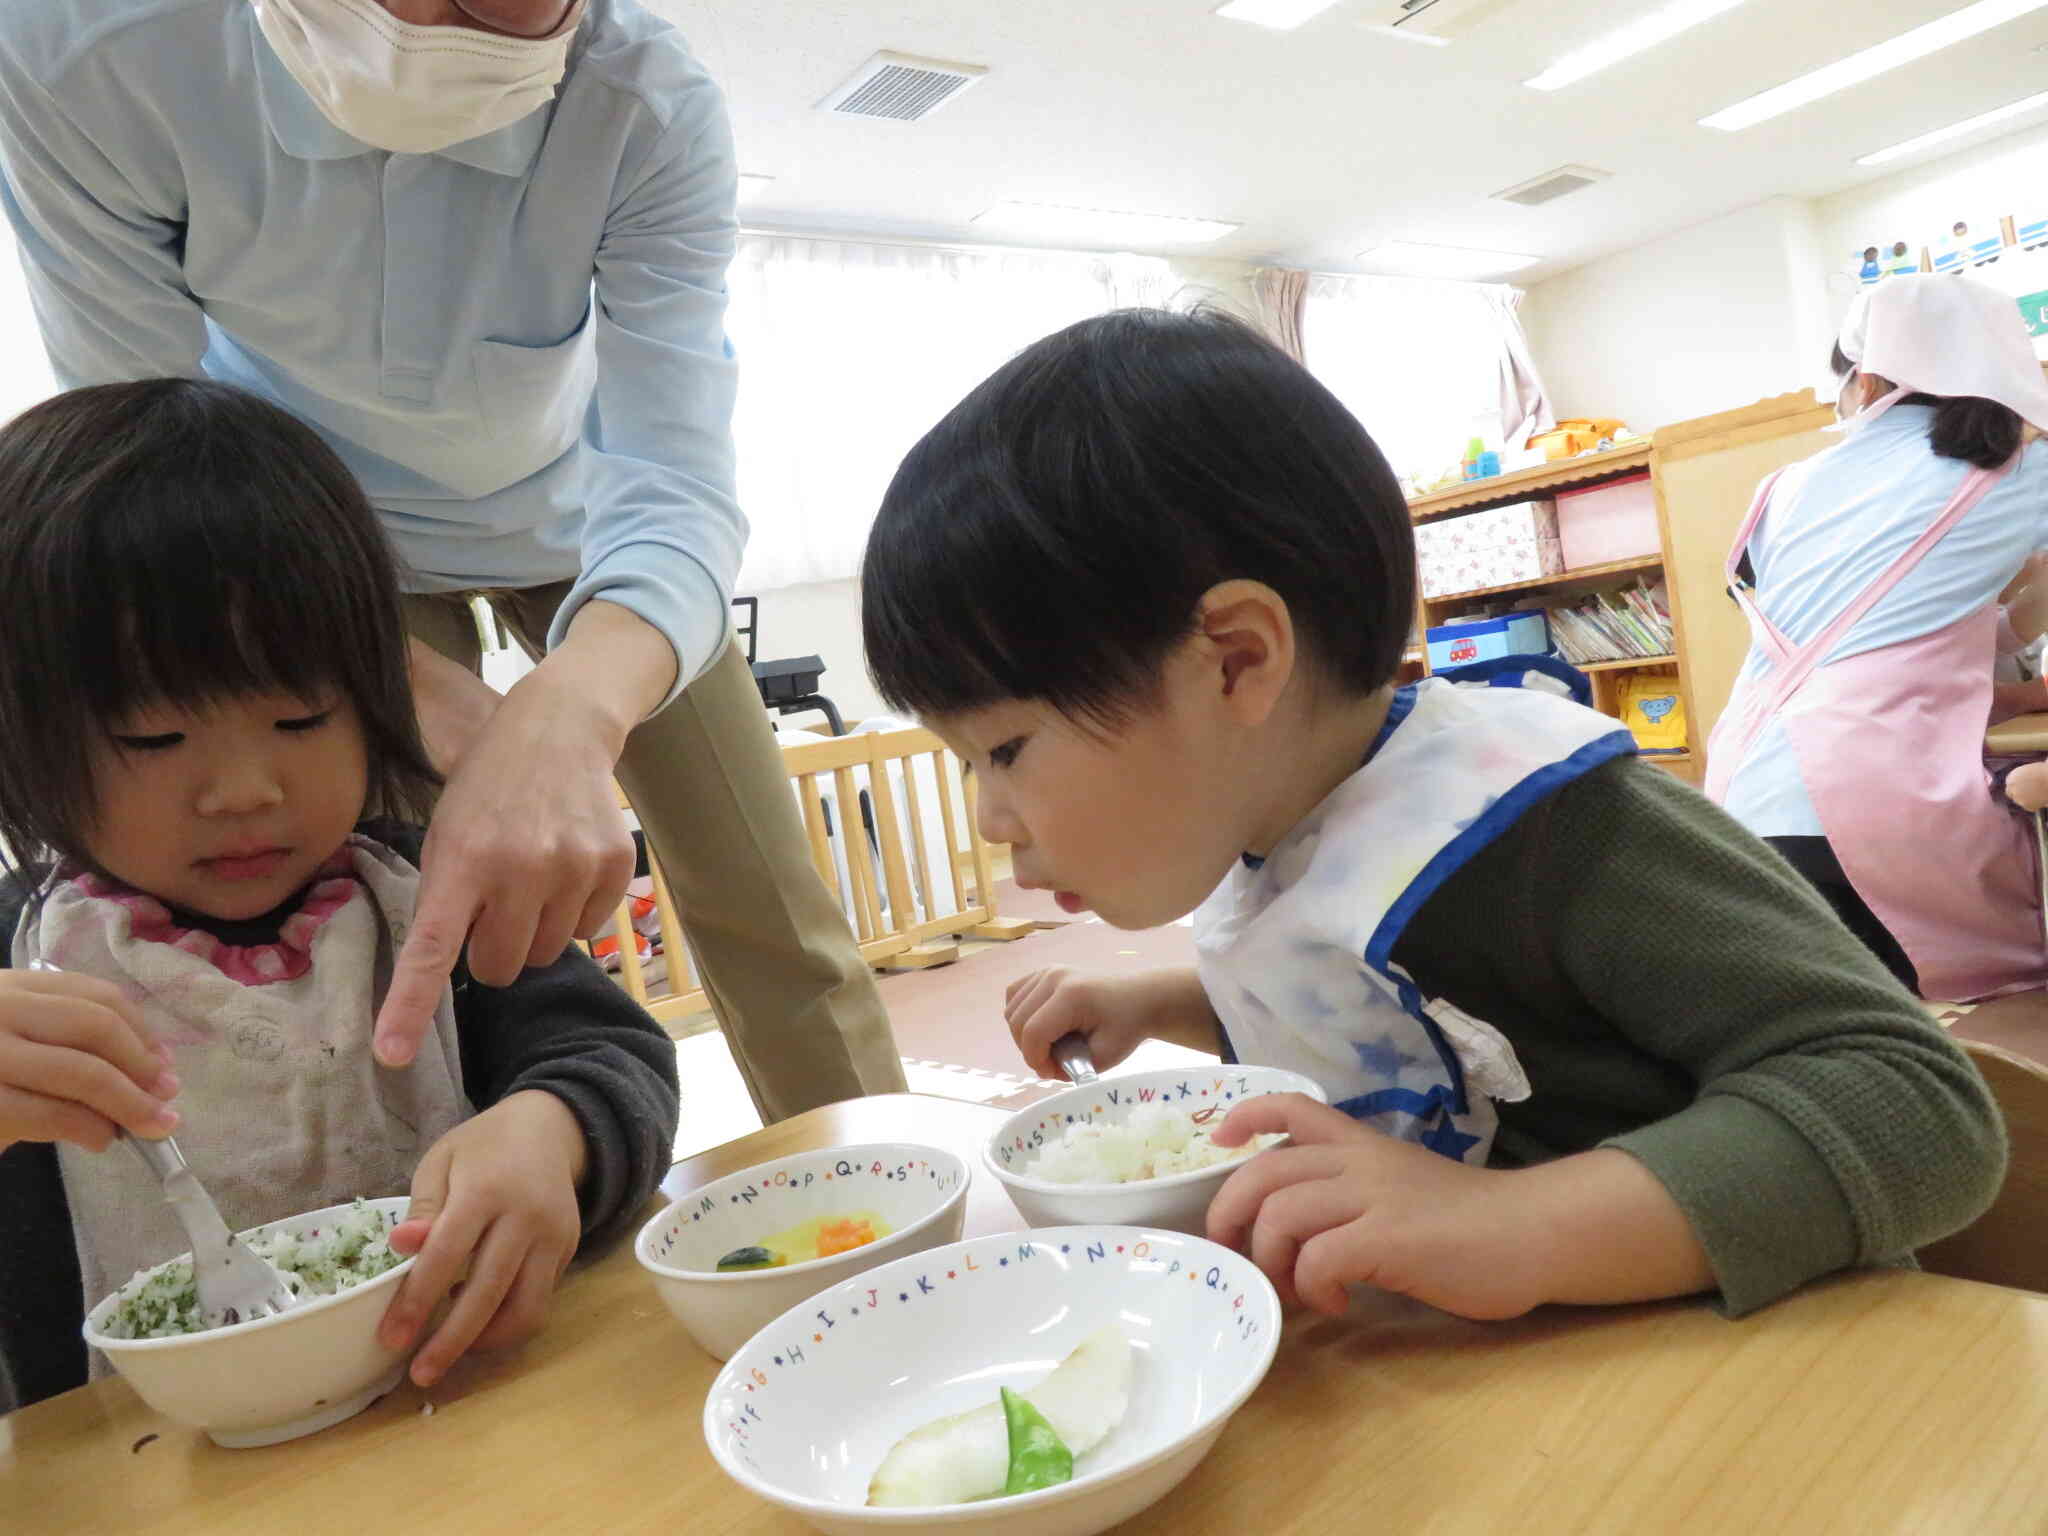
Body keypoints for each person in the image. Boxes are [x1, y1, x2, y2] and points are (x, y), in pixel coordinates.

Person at [859, 306, 2003, 1323]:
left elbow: (1916, 1106)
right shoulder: (1282, 823)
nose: (991, 820)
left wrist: (1517, 1225)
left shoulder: (1549, 829)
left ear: (1233, 661)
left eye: (1002, 749)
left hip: (1760, 1393)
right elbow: (1415, 1020)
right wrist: (1175, 999)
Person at [0, 0, 904, 1119]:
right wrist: (391, 674)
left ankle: (888, 1211)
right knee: (411, 924)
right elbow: (152, 447)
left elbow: (673, 474)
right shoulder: (84, 48)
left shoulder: (647, 104)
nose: (433, 19)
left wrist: (569, 713)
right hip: (305, 559)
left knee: (766, 895)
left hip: (593, 538)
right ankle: (456, 1219)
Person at [0, 379, 680, 1413]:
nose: (245, 791)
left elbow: (612, 1056)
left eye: (302, 719)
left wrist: (550, 1131)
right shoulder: (21, 961)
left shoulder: (426, 895)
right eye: (155, 738)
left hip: (467, 1399)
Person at [1708, 275, 2048, 1000]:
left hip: (1746, 791)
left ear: (1865, 379)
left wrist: (2019, 631)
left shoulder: (1787, 482)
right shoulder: (2021, 473)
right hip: (1879, 801)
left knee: (1829, 1034)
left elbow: (1868, 629)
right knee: (1960, 1025)